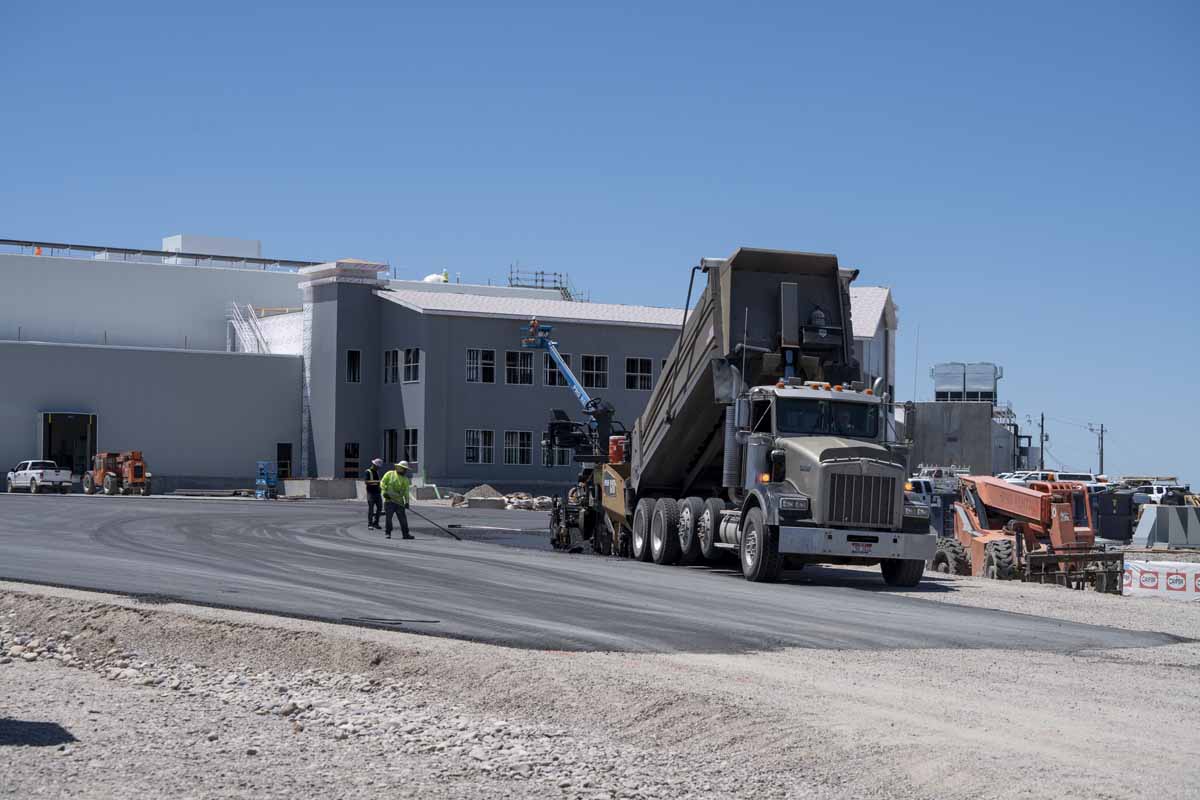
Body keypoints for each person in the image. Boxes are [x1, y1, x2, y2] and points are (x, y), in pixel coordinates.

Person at [380, 461, 414, 540]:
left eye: (405, 469)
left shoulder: (405, 479)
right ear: (399, 468)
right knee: (388, 518)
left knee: (403, 519)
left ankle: (405, 534)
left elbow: (406, 492)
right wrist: (384, 492)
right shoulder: (389, 474)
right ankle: (388, 533)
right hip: (389, 501)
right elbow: (382, 483)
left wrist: (407, 502)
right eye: (404, 469)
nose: (405, 471)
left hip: (399, 502)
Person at [363, 458, 384, 530]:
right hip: (371, 493)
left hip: (377, 493)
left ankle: (376, 523)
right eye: (378, 466)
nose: (379, 468)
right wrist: (377, 481)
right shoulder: (368, 471)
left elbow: (378, 483)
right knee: (371, 509)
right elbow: (366, 482)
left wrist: (380, 487)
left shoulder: (377, 472)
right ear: (374, 465)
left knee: (380, 508)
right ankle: (370, 524)